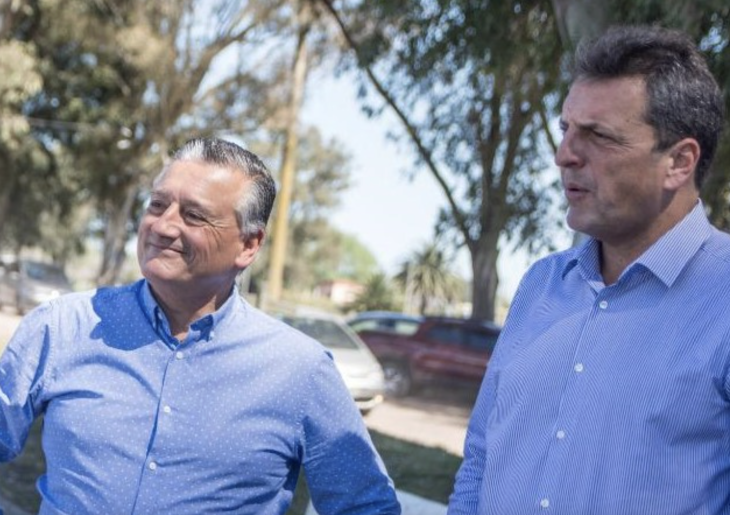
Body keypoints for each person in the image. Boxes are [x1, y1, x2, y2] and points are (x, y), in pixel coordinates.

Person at [0, 137, 401, 515]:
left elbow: (366, 506)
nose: (163, 226)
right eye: (157, 205)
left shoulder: (300, 371)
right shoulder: (62, 327)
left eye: (193, 215)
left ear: (249, 245)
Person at [448, 25, 728, 515]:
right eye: (566, 130)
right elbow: (481, 459)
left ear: (679, 162)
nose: (564, 156)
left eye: (599, 136)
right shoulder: (541, 284)